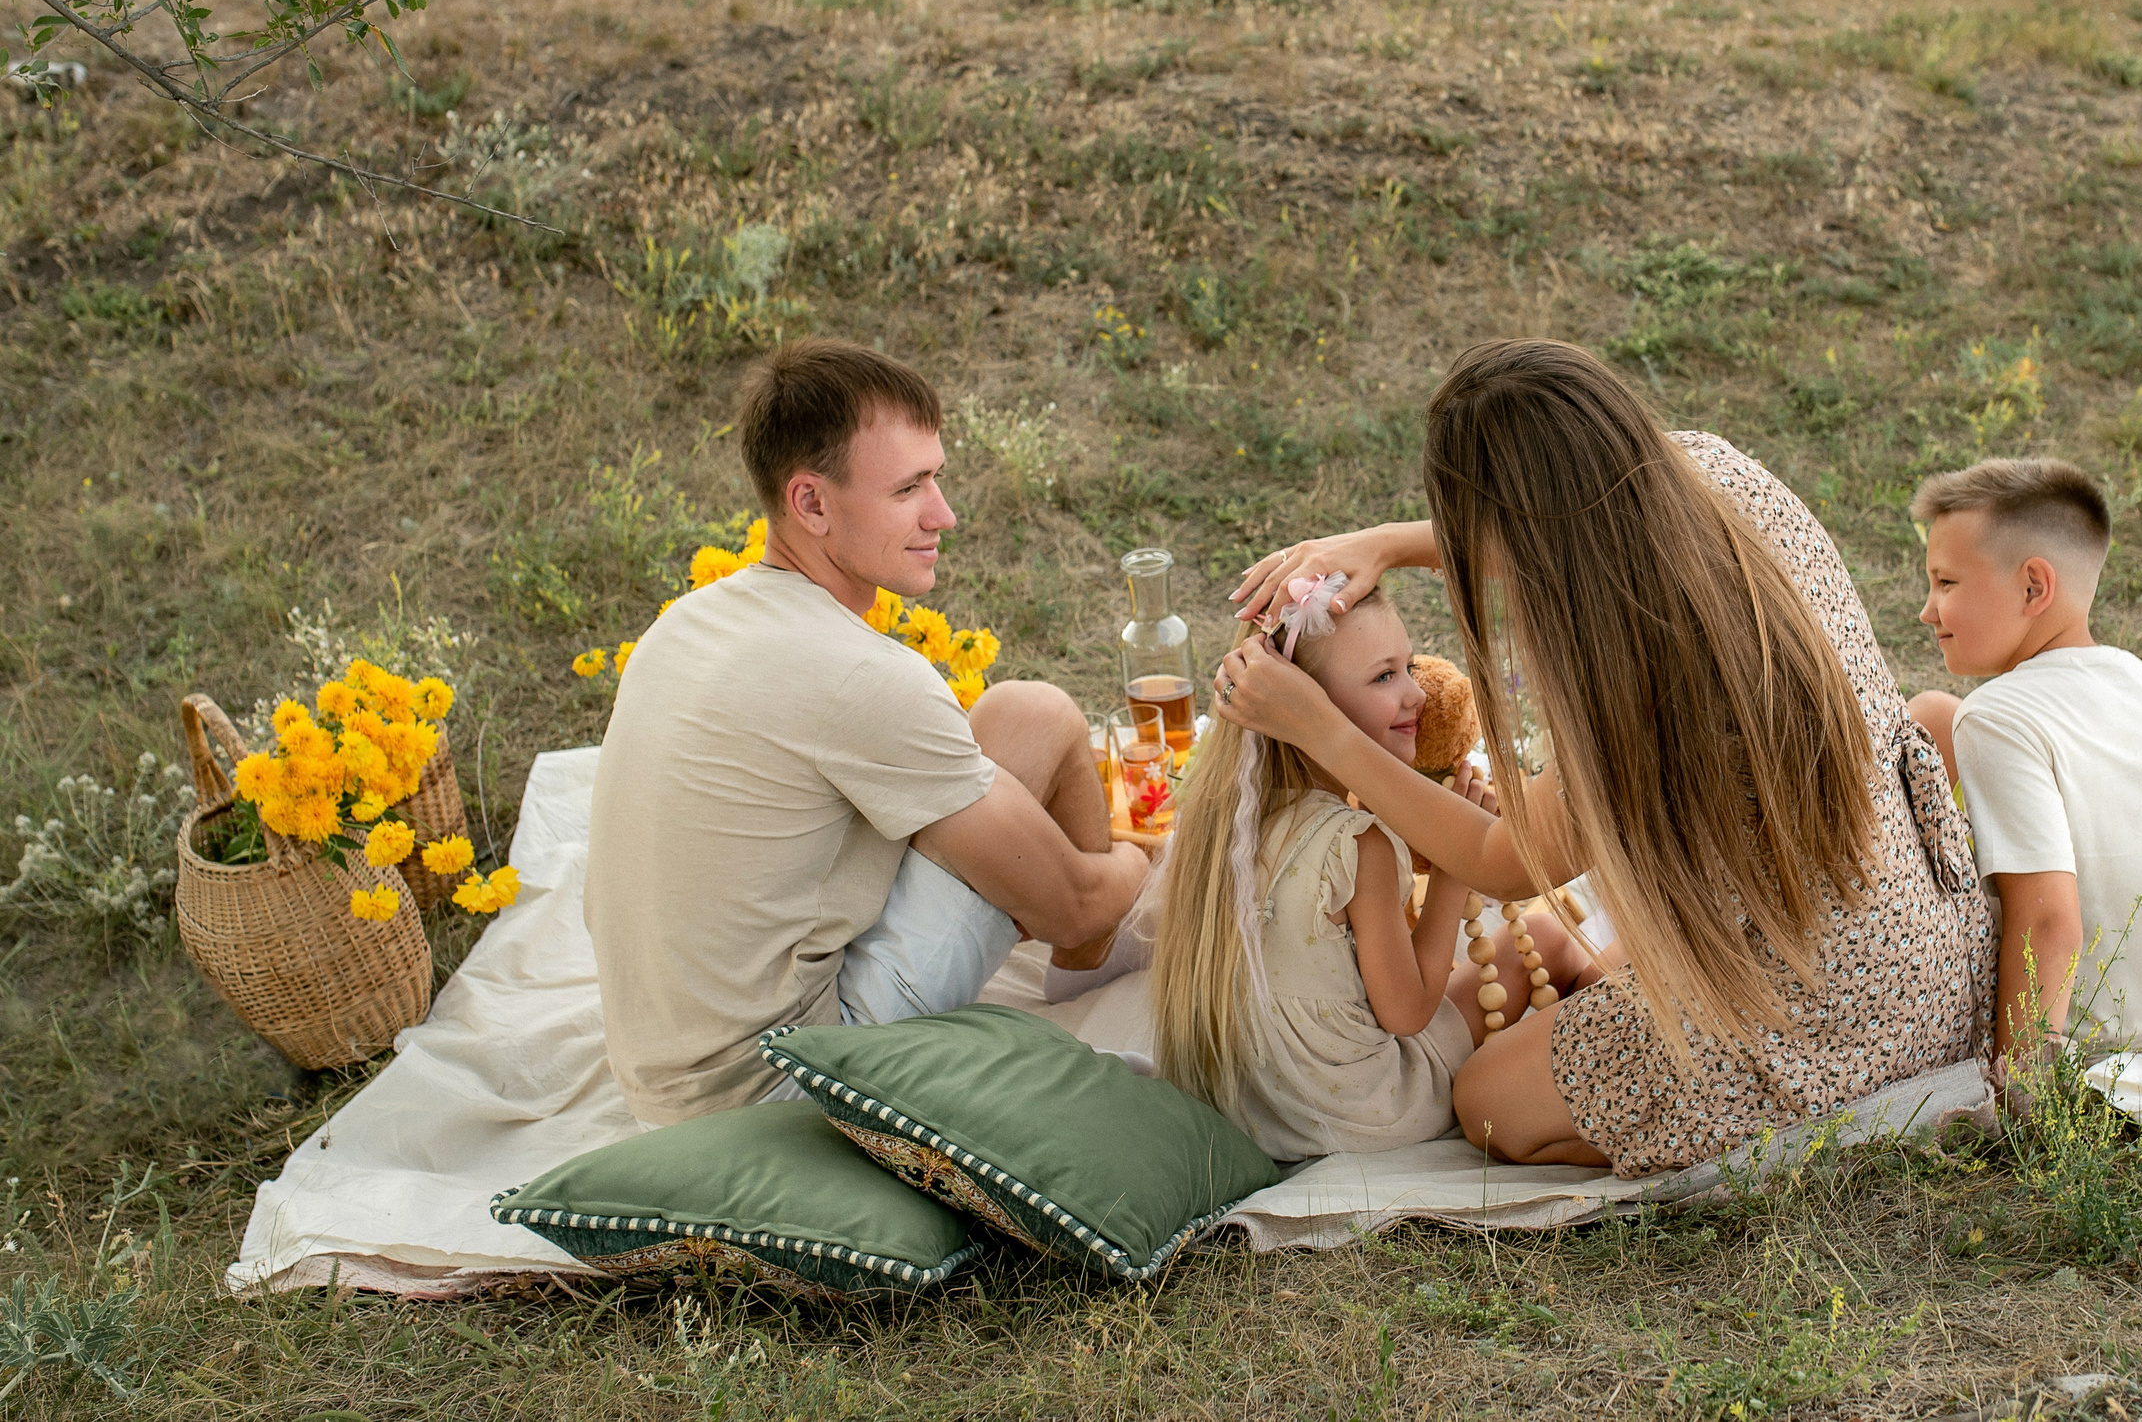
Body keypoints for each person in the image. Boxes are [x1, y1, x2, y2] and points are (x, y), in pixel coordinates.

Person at [1215, 339, 1995, 1176]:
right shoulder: (1713, 474)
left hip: (1821, 1009)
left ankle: (1817, 1111)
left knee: (1487, 1104)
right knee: (1585, 958)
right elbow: (1572, 520)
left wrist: (1321, 731)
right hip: (1930, 949)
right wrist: (1390, 542)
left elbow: (1499, 860)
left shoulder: (1652, 662)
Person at [585, 340, 1150, 1129]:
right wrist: (1143, 854)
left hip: (661, 1069)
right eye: (909, 488)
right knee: (1074, 831)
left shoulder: (690, 621)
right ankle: (1101, 976)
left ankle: (1089, 976)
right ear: (811, 504)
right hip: (780, 1086)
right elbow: (1076, 906)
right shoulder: (858, 674)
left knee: (1031, 713)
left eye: (937, 478)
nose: (943, 514)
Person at [1147, 583, 1595, 1162]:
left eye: (1407, 666)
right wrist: (1459, 866)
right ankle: (1604, 1052)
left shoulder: (1217, 825)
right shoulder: (1356, 845)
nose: (1416, 693)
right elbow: (1407, 1013)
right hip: (1367, 1111)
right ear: (1307, 706)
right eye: (1384, 677)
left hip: (1254, 1109)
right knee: (1551, 939)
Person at [1903, 458, 2142, 1068]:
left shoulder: (1998, 716)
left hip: (2102, 1016)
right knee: (1935, 716)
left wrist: (2024, 1093)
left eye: (1946, 584)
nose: (1928, 611)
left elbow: (2048, 920)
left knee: (1930, 720)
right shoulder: (2132, 674)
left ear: (2034, 587)